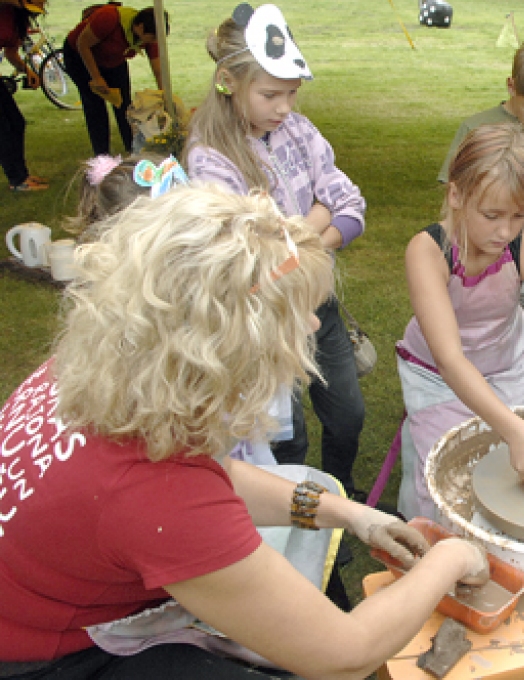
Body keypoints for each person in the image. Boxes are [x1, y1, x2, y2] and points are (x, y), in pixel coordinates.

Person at [0, 185, 490, 678]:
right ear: (239, 340)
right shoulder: (159, 499)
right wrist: (450, 557)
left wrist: (349, 514)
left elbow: (213, 475)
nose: (313, 326)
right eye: (300, 314)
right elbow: (346, 654)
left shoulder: (95, 371)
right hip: (42, 657)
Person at [187, 3, 369, 502]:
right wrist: (316, 218)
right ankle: (296, 511)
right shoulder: (211, 158)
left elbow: (351, 203)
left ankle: (341, 493)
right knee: (284, 434)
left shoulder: (299, 131)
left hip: (320, 306)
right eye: (271, 94)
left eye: (292, 93)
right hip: (264, 320)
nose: (285, 107)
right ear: (228, 81)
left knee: (348, 413)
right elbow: (248, 262)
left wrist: (299, 235)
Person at [399, 123, 524, 520]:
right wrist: (516, 430)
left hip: (509, 363)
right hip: (439, 375)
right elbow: (451, 359)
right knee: (441, 480)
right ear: (456, 195)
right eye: (491, 215)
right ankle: (428, 548)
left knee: (514, 474)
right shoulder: (428, 252)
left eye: (519, 216)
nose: (505, 231)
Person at [439, 39, 524, 333]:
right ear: (511, 86)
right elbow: (453, 200)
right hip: (477, 264)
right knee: (472, 337)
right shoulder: (475, 129)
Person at [63, 4, 167, 156]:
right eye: (152, 37)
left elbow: (158, 70)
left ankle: (132, 149)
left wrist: (163, 95)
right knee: (95, 107)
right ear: (139, 26)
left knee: (125, 106)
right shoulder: (109, 18)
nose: (153, 41)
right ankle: (102, 156)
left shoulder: (150, 36)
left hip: (114, 60)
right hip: (80, 56)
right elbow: (82, 44)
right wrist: (97, 77)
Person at [0, 0, 47, 192]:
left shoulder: (17, 19)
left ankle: (22, 175)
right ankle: (17, 180)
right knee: (3, 128)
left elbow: (11, 53)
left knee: (16, 122)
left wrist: (28, 71)